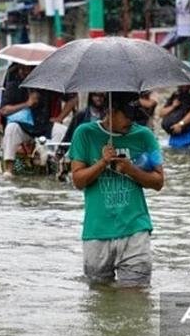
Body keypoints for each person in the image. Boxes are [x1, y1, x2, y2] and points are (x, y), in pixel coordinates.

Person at [69, 91, 164, 287]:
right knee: (100, 300)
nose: (131, 120)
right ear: (110, 111)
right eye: (126, 115)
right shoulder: (84, 133)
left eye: (133, 115)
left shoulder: (144, 136)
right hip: (97, 232)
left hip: (135, 229)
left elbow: (158, 182)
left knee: (136, 300)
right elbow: (78, 181)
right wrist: (102, 163)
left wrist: (131, 170)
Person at [0, 64, 70, 175]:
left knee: (63, 131)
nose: (23, 72)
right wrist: (27, 103)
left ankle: (56, 164)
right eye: (21, 68)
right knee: (11, 128)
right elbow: (4, 110)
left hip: (44, 125)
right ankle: (9, 169)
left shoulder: (47, 85)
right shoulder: (13, 85)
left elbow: (73, 98)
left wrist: (60, 117)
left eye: (27, 69)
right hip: (23, 127)